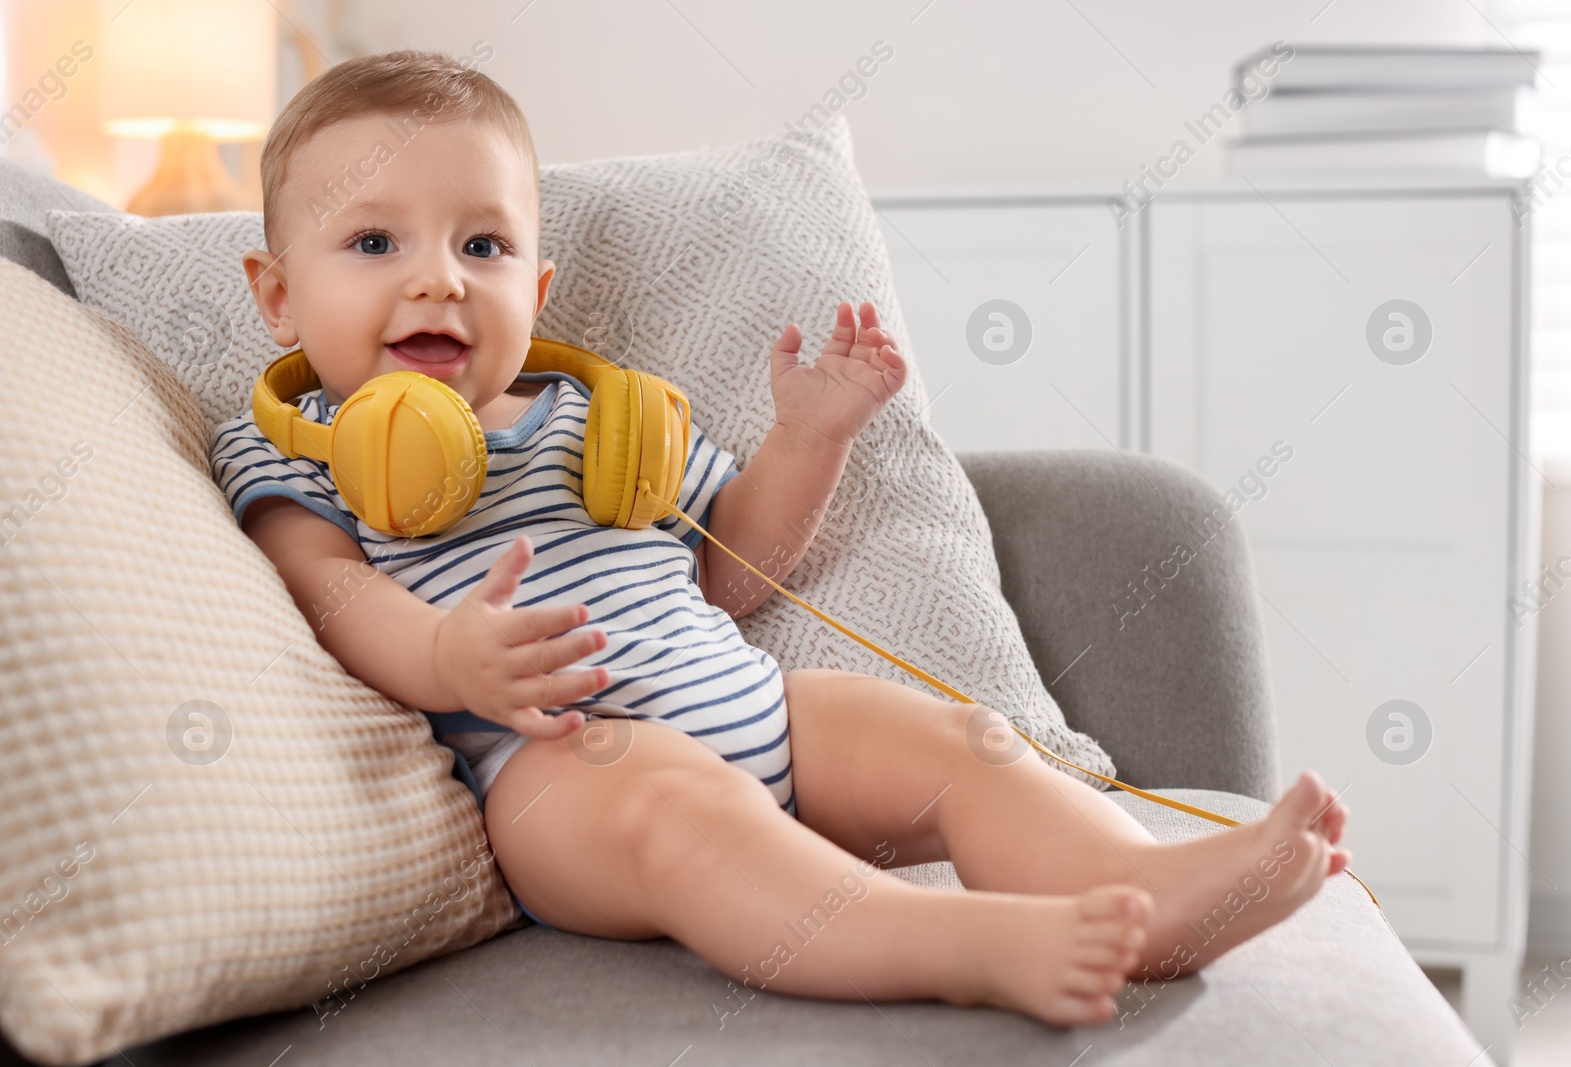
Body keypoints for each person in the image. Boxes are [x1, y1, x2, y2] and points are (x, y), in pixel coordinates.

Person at [210, 49, 1350, 1029]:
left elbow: (733, 563)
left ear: (537, 283)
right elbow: (329, 594)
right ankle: (963, 945)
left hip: (755, 705)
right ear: (277, 296)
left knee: (964, 739)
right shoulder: (296, 446)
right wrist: (448, 658)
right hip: (561, 765)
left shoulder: (603, 427)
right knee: (674, 805)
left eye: (484, 246)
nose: (437, 279)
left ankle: (1141, 888)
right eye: (372, 242)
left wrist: (809, 435)